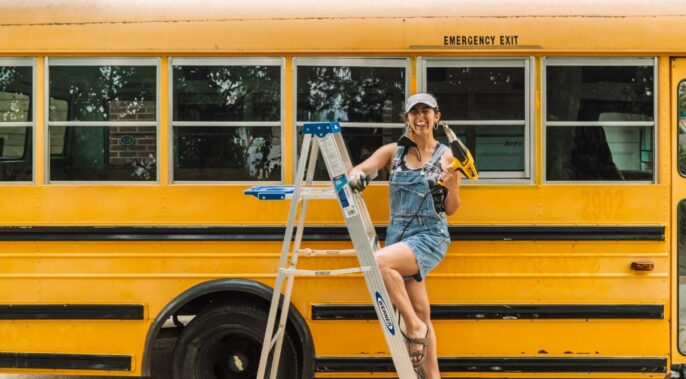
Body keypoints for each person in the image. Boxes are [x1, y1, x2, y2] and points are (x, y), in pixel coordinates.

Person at [348, 93, 460, 378]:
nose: (420, 117)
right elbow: (363, 168)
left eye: (426, 111)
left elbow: (451, 209)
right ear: (406, 119)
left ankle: (412, 327)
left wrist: (453, 185)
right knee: (423, 311)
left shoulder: (447, 157)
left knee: (380, 263)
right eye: (414, 112)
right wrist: (357, 176)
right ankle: (432, 375)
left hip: (429, 236)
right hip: (399, 237)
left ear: (437, 117)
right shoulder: (393, 152)